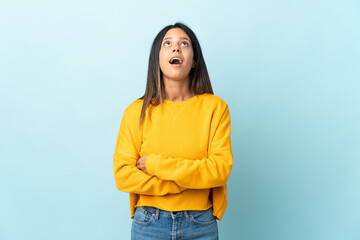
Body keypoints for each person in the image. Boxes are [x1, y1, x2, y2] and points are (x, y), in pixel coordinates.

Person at [113, 22, 233, 239]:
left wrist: (155, 164)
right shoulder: (135, 112)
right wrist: (181, 183)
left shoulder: (216, 108)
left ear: (194, 60)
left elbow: (219, 169)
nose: (176, 48)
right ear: (157, 59)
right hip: (149, 223)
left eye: (184, 43)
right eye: (167, 43)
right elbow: (123, 175)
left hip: (200, 223)